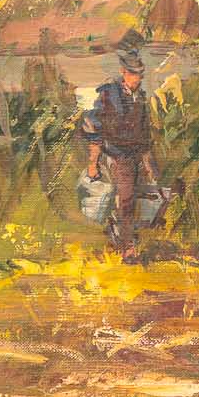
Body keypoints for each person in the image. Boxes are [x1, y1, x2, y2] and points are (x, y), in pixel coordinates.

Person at [80, 46, 160, 257]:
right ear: (123, 72)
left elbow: (144, 133)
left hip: (135, 154)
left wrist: (148, 163)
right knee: (126, 197)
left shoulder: (139, 98)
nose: (137, 79)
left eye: (140, 75)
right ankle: (128, 247)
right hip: (115, 153)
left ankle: (118, 230)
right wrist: (93, 163)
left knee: (141, 196)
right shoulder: (108, 94)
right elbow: (93, 127)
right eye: (133, 74)